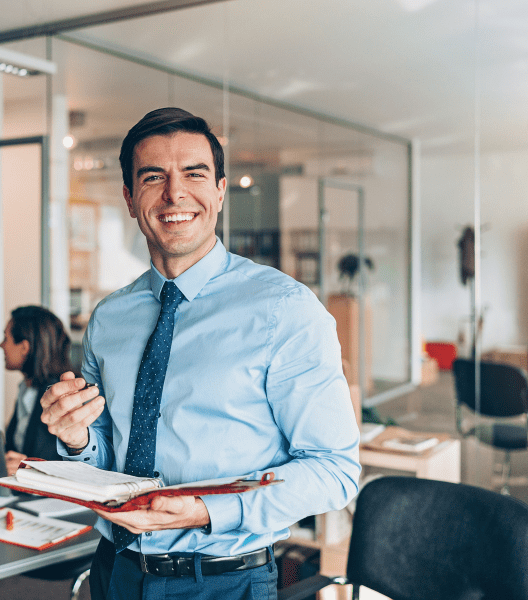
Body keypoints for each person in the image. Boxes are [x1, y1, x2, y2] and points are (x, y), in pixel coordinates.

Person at [41, 107, 361, 600]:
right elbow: (108, 456)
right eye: (153, 177)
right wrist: (79, 437)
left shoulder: (285, 310)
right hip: (116, 571)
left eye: (194, 174)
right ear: (129, 198)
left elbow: (334, 470)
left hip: (223, 581)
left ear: (220, 190)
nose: (175, 194)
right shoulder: (109, 318)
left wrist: (207, 510)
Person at [1, 305, 74, 476]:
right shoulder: (25, 390)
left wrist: (33, 469)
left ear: (24, 347)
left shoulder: (61, 396)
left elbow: (71, 466)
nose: (1, 345)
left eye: (5, 338)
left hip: (49, 499)